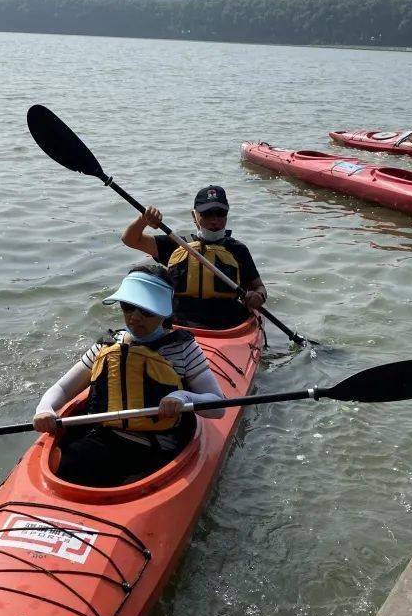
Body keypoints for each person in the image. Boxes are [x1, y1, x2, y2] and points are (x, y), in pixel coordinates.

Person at [33, 264, 226, 487]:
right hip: (104, 438)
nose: (134, 317)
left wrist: (183, 397)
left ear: (165, 311)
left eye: (146, 311)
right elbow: (63, 389)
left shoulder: (183, 349)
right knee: (65, 467)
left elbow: (218, 407)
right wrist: (45, 409)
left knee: (133, 481)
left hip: (158, 447)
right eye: (128, 307)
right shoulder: (107, 345)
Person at [120, 186, 267, 331]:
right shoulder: (177, 244)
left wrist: (258, 296)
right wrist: (143, 220)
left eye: (220, 213)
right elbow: (130, 240)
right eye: (207, 214)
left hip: (228, 327)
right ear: (194, 216)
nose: (215, 220)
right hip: (179, 326)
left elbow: (259, 287)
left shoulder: (238, 250)